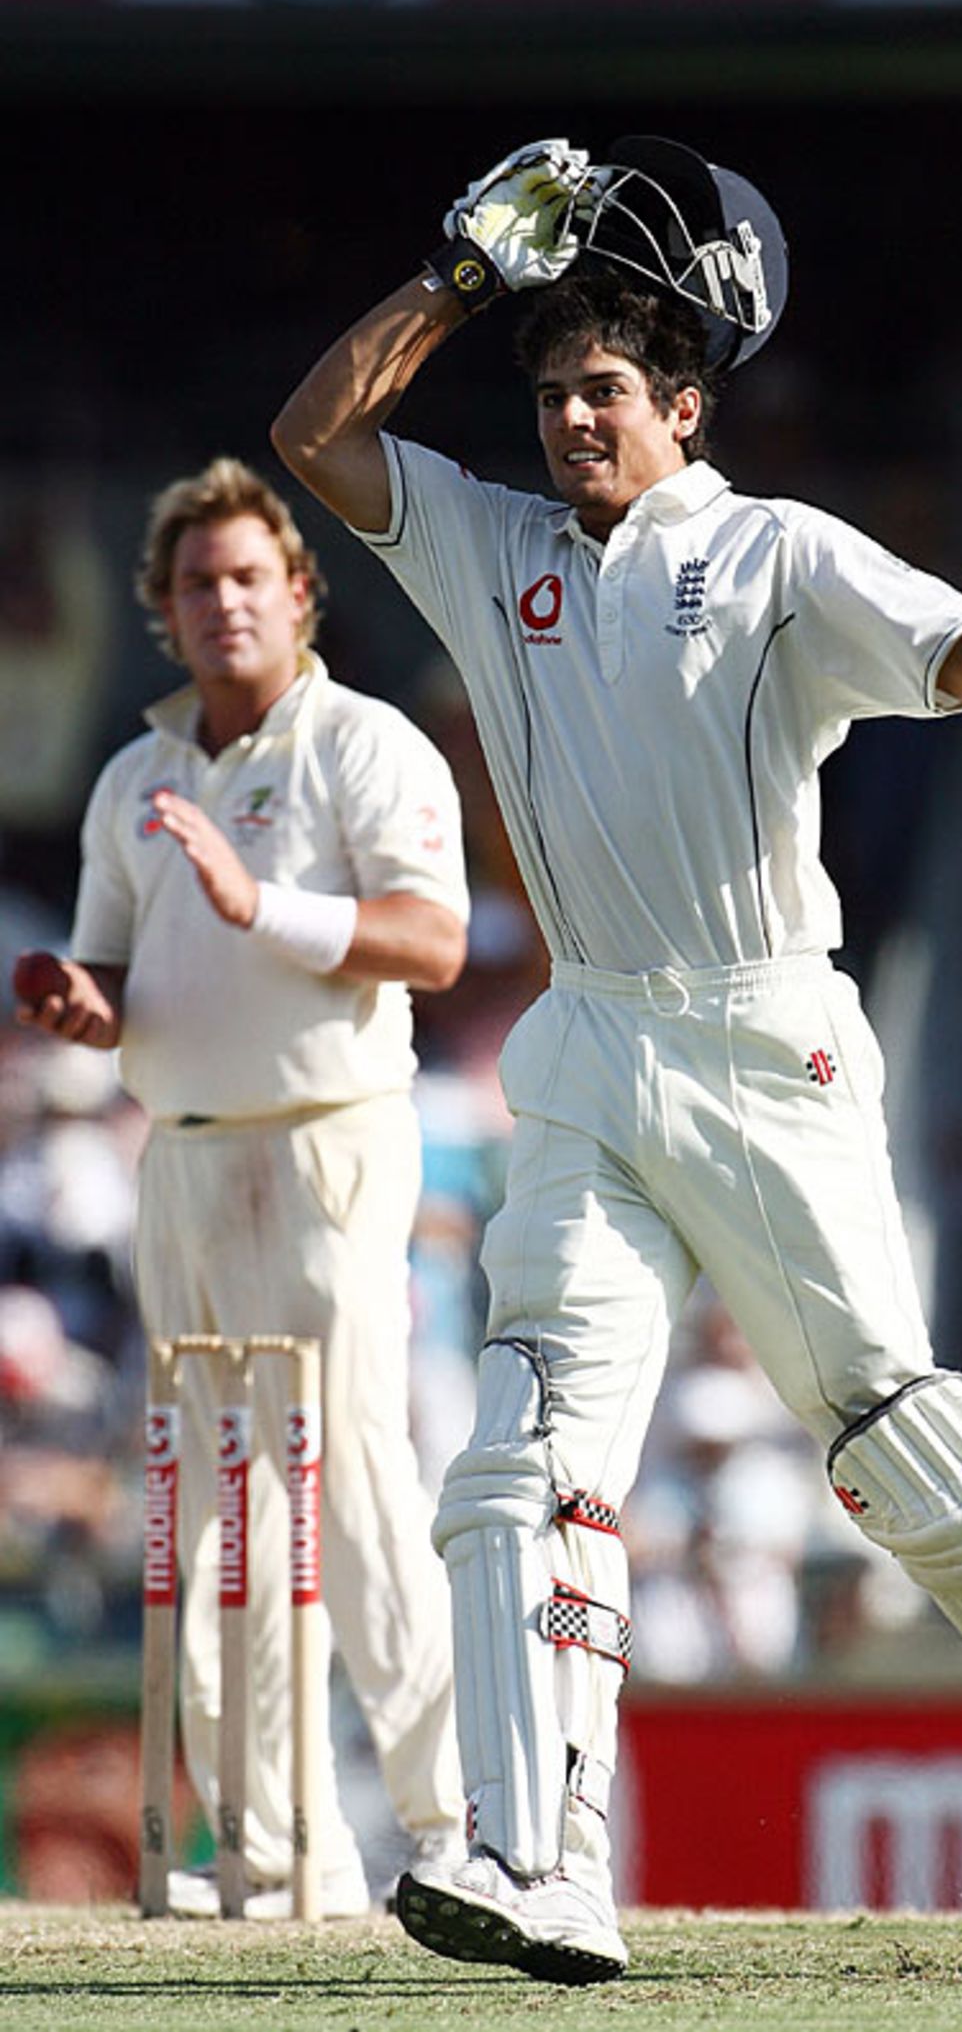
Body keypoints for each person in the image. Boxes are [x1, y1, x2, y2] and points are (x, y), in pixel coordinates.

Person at [271, 137, 962, 1981]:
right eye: (549, 395)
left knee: (887, 1431)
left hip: (761, 1029)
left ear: (685, 405)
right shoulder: (498, 551)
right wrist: (457, 282)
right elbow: (318, 435)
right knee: (530, 1452)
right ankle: (541, 1859)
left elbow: (959, 660)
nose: (567, 424)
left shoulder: (770, 553)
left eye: (603, 393)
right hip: (590, 1041)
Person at [12, 457, 470, 1918]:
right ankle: (278, 1853)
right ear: (164, 609)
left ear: (299, 595)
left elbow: (435, 943)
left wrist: (255, 901)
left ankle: (461, 1825)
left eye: (249, 579)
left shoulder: (366, 746)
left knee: (351, 1487)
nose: (224, 604)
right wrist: (71, 998)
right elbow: (114, 971)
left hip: (330, 1137)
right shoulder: (136, 776)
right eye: (198, 583)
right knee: (210, 1509)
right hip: (187, 1152)